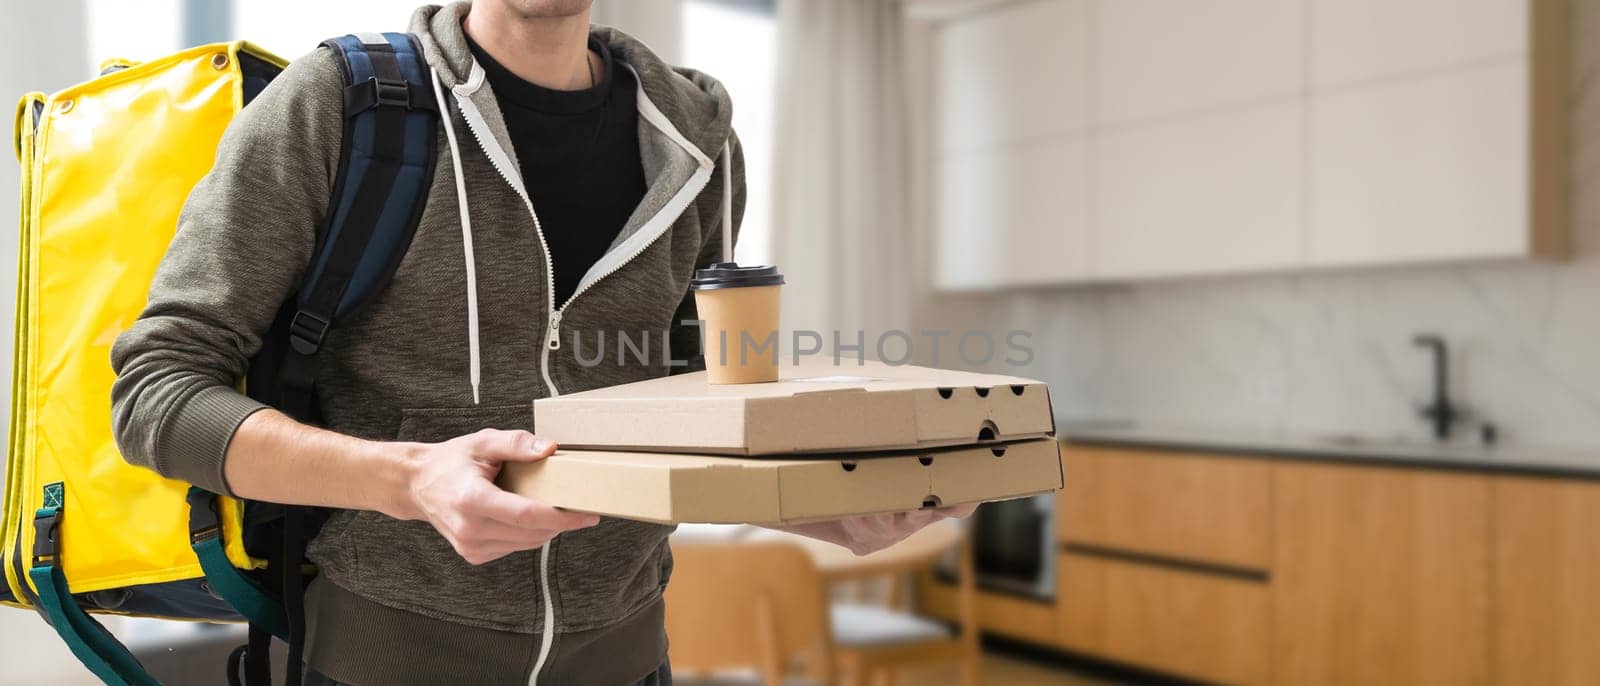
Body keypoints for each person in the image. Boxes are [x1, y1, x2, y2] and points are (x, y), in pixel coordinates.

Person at [110, 2, 969, 684]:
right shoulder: (342, 105)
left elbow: (673, 425)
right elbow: (156, 395)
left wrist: (826, 509)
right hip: (384, 659)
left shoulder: (698, 145)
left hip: (630, 660)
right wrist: (412, 480)